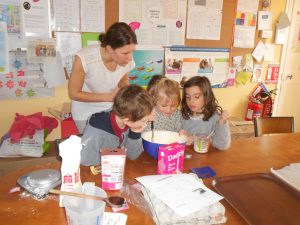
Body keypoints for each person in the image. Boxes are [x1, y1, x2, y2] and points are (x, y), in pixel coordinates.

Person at [68, 22, 137, 133]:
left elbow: (123, 78)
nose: (130, 58)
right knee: (94, 145)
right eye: (125, 53)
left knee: (114, 145)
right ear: (109, 49)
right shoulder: (85, 58)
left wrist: (126, 91)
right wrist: (109, 97)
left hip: (112, 108)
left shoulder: (126, 60)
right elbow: (74, 93)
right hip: (85, 111)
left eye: (132, 51)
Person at [80, 85, 154, 166]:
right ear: (127, 120)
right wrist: (115, 155)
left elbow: (133, 155)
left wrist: (135, 133)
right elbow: (85, 159)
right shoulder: (96, 131)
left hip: (116, 168)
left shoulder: (128, 121)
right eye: (143, 121)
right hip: (96, 171)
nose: (145, 124)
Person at [180, 76, 231, 150]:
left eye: (196, 97)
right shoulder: (182, 115)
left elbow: (222, 146)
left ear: (206, 96)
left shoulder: (215, 118)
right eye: (188, 97)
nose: (191, 101)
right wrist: (183, 138)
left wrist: (221, 123)